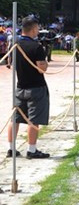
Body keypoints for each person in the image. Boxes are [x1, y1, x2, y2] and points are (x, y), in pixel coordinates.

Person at [7, 17, 50, 159]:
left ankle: (11, 148)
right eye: (37, 28)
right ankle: (32, 149)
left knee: (16, 118)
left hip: (20, 86)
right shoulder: (36, 47)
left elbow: (10, 62)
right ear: (33, 29)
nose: (38, 31)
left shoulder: (15, 44)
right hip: (36, 87)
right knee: (34, 119)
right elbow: (41, 69)